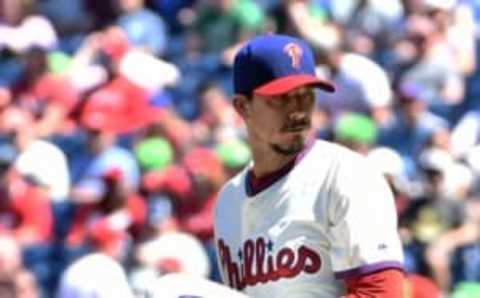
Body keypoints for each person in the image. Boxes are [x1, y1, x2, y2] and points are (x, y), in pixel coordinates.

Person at [213, 34, 405, 297]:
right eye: (280, 98)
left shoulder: (348, 176)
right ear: (243, 106)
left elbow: (381, 293)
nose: (297, 111)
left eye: (305, 96)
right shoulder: (228, 201)